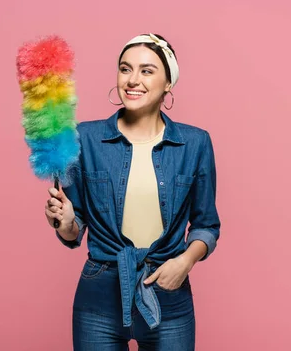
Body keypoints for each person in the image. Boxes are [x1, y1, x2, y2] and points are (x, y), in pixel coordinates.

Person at [44, 33, 221, 350]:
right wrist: (68, 221)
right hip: (99, 293)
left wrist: (184, 263)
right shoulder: (85, 138)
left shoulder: (195, 143)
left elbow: (207, 224)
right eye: (125, 69)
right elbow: (74, 230)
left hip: (169, 292)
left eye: (147, 70)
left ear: (168, 83)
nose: (133, 80)